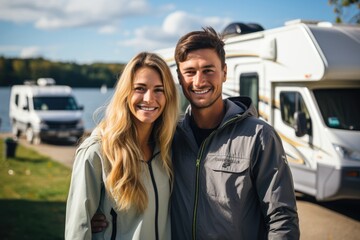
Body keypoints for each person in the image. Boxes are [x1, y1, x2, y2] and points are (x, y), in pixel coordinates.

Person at [92, 27, 300, 239]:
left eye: (208, 70)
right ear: (179, 78)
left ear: (224, 73)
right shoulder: (168, 135)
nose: (199, 81)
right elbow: (128, 149)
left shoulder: (259, 136)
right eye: (190, 72)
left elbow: (282, 218)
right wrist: (103, 210)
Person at [65, 52, 179, 240]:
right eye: (140, 88)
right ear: (125, 92)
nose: (150, 98)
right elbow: (78, 229)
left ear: (168, 96)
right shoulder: (97, 152)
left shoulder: (168, 148)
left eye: (159, 89)